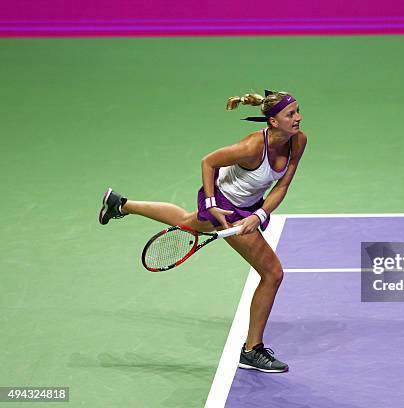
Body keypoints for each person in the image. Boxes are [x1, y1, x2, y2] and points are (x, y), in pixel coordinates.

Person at [98, 90, 307, 373]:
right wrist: (212, 205)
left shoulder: (298, 141)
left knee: (186, 220)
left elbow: (281, 186)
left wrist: (259, 215)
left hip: (250, 206)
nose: (298, 118)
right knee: (272, 274)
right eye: (290, 114)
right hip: (225, 205)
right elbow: (209, 161)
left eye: (297, 111)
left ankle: (120, 205)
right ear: (272, 121)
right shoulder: (252, 147)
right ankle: (252, 350)